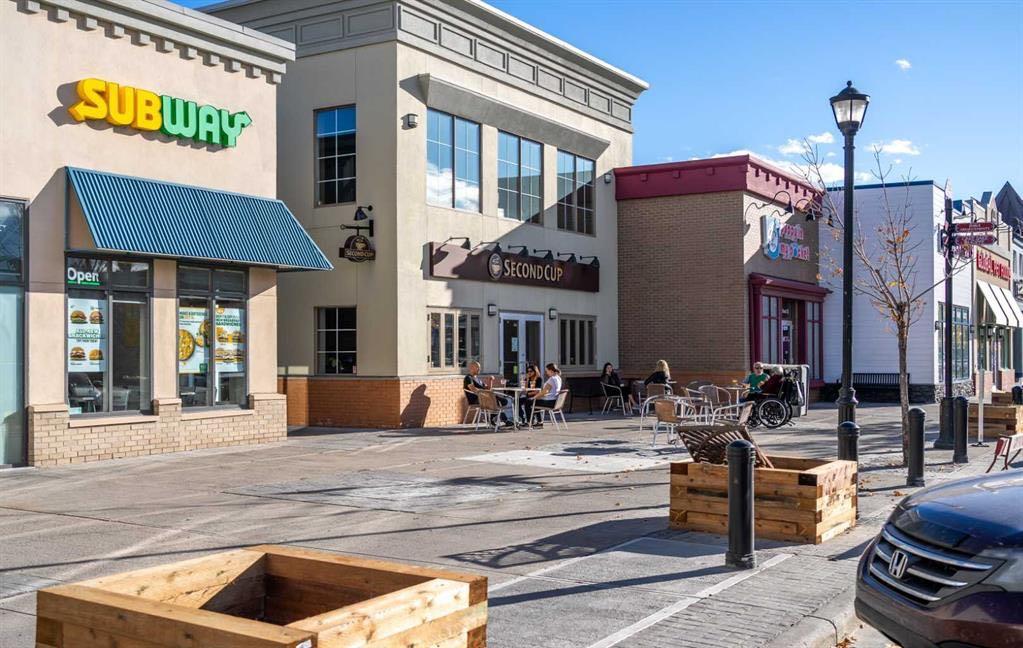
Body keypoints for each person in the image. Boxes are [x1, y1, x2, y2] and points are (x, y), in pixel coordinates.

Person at [464, 361, 512, 426]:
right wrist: (485, 393)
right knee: (496, 401)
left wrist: (490, 380)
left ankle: (492, 418)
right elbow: (473, 389)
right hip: (476, 399)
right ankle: (504, 420)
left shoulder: (478, 379)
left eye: (480, 367)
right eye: (478, 367)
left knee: (504, 401)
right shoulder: (468, 378)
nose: (479, 369)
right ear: (471, 367)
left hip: (485, 397)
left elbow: (488, 389)